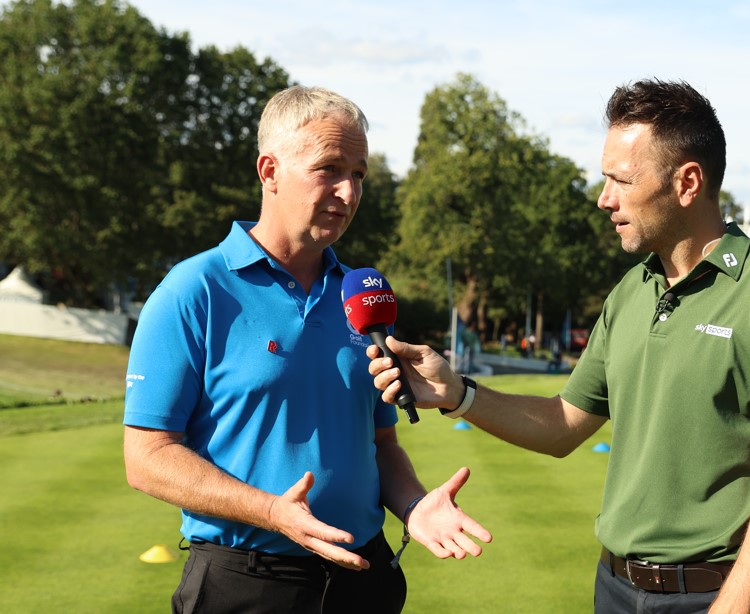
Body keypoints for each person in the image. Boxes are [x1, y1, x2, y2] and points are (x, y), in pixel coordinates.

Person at [368, 79, 750, 613]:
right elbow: (565, 423)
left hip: (716, 596)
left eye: (622, 179)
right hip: (613, 589)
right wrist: (458, 393)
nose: (603, 197)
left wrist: (735, 606)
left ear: (687, 182)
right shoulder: (631, 290)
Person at [122, 86, 491, 614]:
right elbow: (147, 457)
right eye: (330, 169)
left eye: (359, 174)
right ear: (269, 171)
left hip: (364, 579)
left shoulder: (363, 296)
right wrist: (272, 511)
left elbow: (380, 445)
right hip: (247, 582)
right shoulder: (194, 289)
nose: (348, 191)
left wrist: (414, 506)